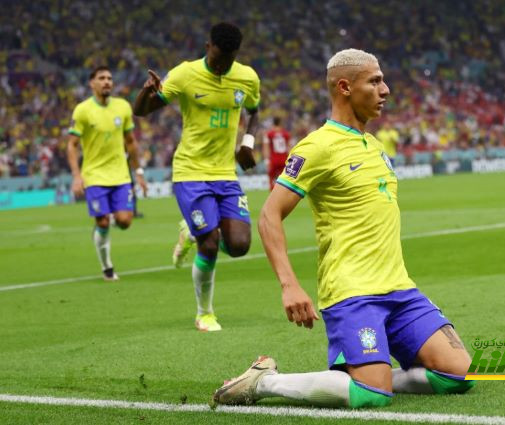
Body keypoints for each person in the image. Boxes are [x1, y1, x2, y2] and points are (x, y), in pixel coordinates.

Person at [213, 49, 474, 408]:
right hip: (353, 293)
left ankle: (367, 375)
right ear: (345, 87)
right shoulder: (318, 146)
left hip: (400, 289)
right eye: (375, 81)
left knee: (458, 375)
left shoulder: (375, 145)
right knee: (371, 396)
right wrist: (289, 285)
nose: (386, 90)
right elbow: (269, 215)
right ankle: (266, 381)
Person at [133, 22, 260, 332]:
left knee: (240, 245)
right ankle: (205, 313)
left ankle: (190, 231)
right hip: (190, 171)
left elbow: (254, 111)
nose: (220, 65)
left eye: (227, 60)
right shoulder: (184, 74)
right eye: (217, 57)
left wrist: (247, 143)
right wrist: (145, 93)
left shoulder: (247, 77)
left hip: (225, 175)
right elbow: (141, 111)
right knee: (211, 244)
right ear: (207, 47)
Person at [67, 66, 147, 281]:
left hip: (120, 175)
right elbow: (72, 145)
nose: (107, 82)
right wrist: (76, 176)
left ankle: (105, 224)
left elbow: (131, 142)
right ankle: (107, 268)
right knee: (103, 222)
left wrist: (138, 172)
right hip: (93, 175)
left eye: (110, 78)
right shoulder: (82, 110)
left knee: (125, 221)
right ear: (91, 83)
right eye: (101, 78)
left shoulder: (123, 107)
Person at [262, 117, 292, 190]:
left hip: (274, 159)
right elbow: (289, 147)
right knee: (285, 179)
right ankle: (284, 194)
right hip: (284, 159)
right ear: (280, 123)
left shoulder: (269, 134)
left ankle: (273, 195)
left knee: (271, 178)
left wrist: (266, 160)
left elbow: (266, 147)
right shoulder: (286, 134)